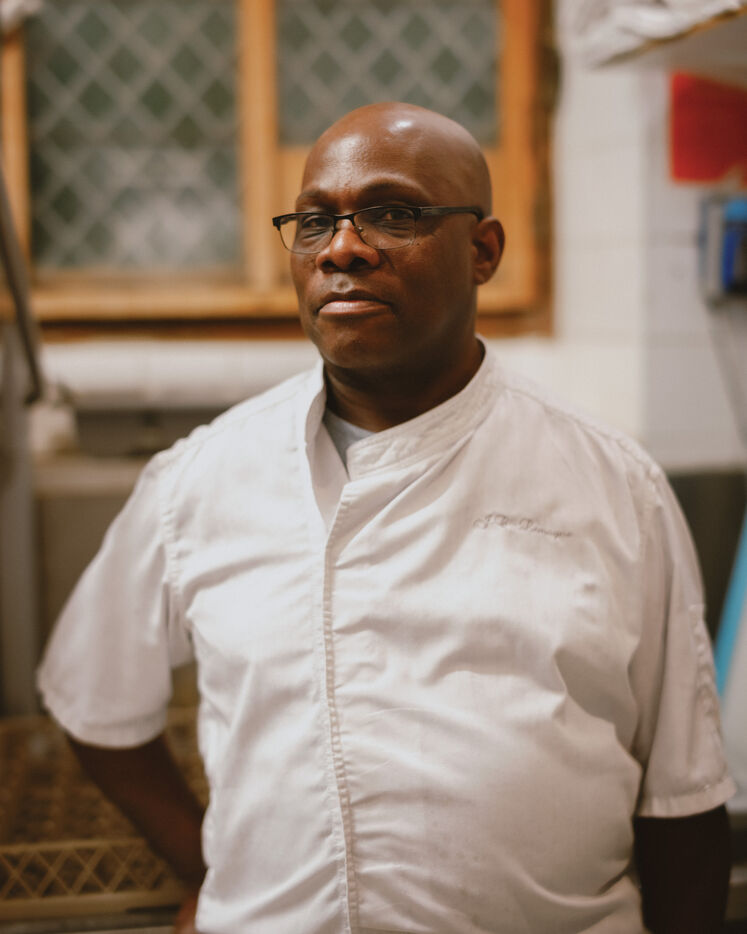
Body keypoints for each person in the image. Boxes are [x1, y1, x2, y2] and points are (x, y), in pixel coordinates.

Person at [38, 102, 735, 934]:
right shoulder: (201, 479)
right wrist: (209, 870)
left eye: (394, 214)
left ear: (482, 252)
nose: (342, 248)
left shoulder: (614, 486)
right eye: (314, 222)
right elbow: (94, 701)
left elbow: (682, 797)